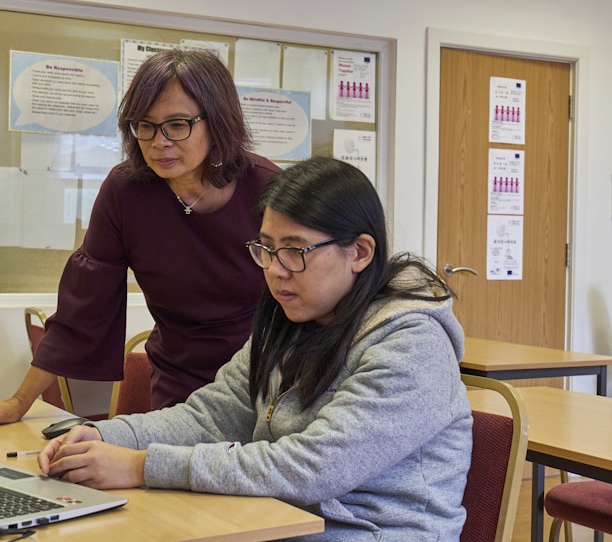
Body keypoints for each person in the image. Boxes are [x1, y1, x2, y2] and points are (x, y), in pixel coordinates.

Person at [39, 156, 473, 541]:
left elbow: (312, 467)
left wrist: (139, 466)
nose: (276, 271)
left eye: (296, 251)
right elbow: (211, 415)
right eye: (266, 249)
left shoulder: (412, 343)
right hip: (272, 521)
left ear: (359, 252)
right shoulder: (290, 321)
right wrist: (100, 437)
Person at [0, 48, 280, 424]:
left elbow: (313, 298)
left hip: (267, 377)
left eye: (177, 125)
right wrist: (18, 404)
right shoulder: (126, 190)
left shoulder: (270, 189)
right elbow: (84, 305)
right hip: (181, 380)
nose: (159, 141)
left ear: (218, 121)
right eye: (144, 125)